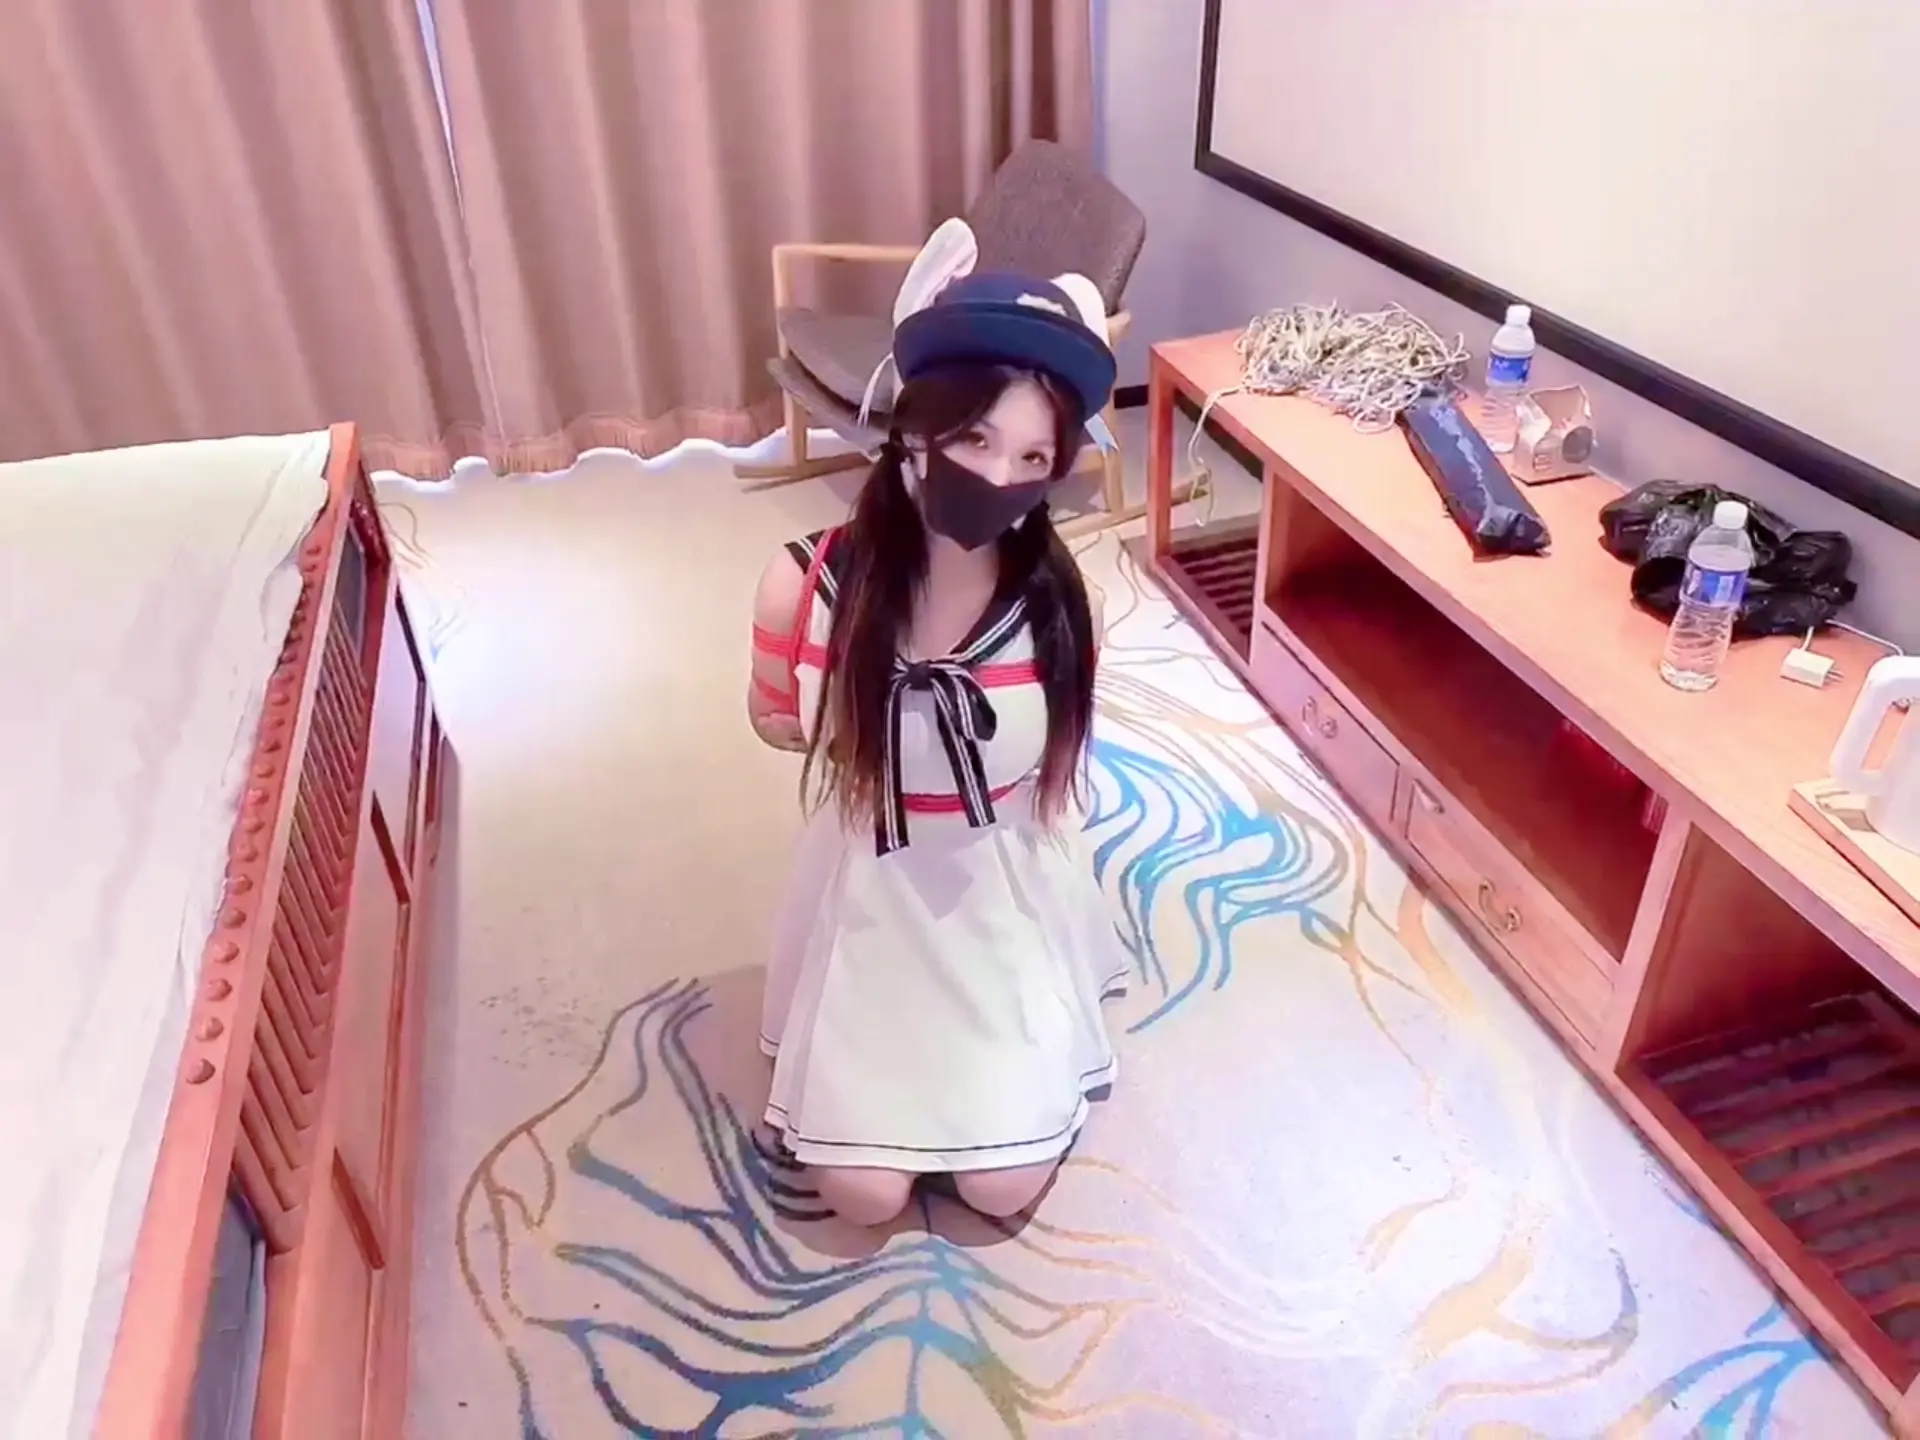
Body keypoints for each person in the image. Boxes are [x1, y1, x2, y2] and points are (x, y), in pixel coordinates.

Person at [746, 254, 1130, 1227]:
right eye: (975, 438)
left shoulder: (1058, 605)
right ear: (912, 430)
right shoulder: (804, 587)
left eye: (1033, 459)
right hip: (872, 883)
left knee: (1002, 1188)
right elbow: (775, 719)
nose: (999, 477)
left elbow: (1053, 775)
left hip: (995, 886)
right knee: (860, 1197)